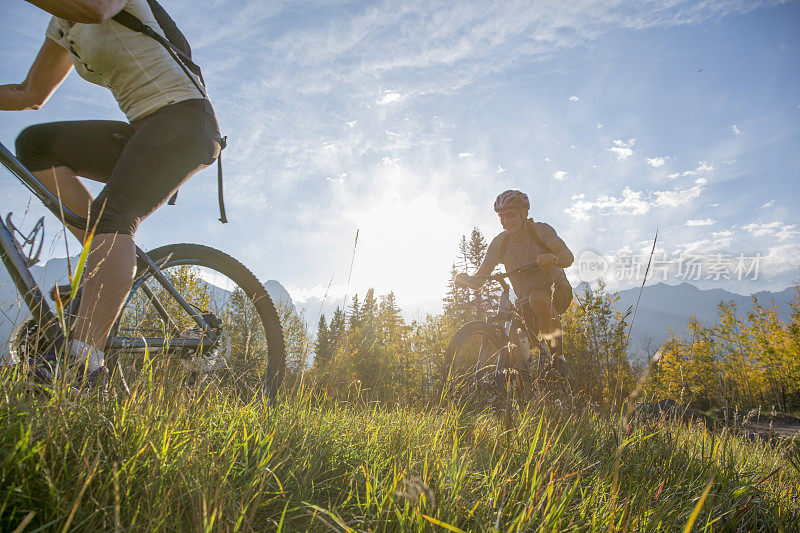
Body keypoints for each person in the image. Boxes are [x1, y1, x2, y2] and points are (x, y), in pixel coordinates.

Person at [0, 0, 222, 385]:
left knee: (114, 216)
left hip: (186, 123)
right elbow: (28, 93)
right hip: (143, 129)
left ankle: (84, 363)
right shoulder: (63, 24)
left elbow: (99, 10)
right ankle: (98, 257)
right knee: (35, 146)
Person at [456, 189, 574, 359]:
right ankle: (525, 376)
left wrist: (553, 258)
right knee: (514, 334)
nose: (505, 221)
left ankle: (557, 359)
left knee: (538, 298)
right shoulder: (500, 243)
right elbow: (479, 279)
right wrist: (466, 280)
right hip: (525, 302)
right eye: (501, 217)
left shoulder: (541, 231)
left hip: (556, 291)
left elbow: (567, 257)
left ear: (524, 213)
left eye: (510, 215)